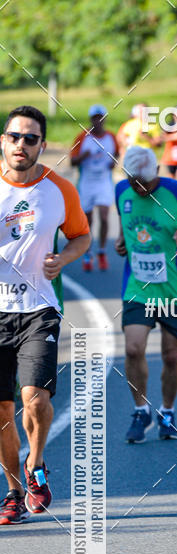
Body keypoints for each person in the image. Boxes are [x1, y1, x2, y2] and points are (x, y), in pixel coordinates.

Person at [0, 105, 90, 524]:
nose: (21, 144)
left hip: (39, 307)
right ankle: (14, 492)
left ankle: (36, 465)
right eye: (14, 136)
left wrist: (64, 259)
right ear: (2, 141)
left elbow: (81, 236)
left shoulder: (60, 190)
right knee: (1, 412)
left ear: (42, 145)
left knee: (34, 399)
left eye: (30, 138)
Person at [115, 146, 177, 443]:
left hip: (174, 290)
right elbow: (126, 225)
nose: (138, 187)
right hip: (137, 288)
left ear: (156, 173)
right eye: (132, 181)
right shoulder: (121, 192)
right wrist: (121, 240)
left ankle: (167, 412)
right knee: (132, 349)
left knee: (171, 355)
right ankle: (141, 411)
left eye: (144, 181)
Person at [70, 104, 118, 272]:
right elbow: (72, 161)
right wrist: (83, 156)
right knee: (88, 220)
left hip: (104, 181)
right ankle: (88, 253)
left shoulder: (111, 137)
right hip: (86, 184)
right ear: (91, 119)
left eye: (101, 117)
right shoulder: (82, 137)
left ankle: (102, 252)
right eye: (95, 118)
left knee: (104, 217)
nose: (98, 121)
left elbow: (116, 155)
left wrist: (113, 163)